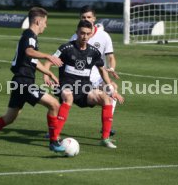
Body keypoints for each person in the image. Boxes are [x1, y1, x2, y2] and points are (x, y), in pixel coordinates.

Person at [0, 7, 65, 155]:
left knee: (9, 118)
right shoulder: (29, 35)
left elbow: (32, 60)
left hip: (18, 82)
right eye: (45, 22)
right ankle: (53, 142)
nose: (46, 25)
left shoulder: (30, 37)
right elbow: (29, 52)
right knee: (54, 104)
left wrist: (49, 73)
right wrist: (48, 56)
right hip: (24, 83)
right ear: (38, 21)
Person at [44, 20, 124, 149]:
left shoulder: (94, 52)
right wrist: (46, 74)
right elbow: (49, 62)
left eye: (88, 34)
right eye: (82, 33)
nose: (85, 36)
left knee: (106, 98)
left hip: (84, 89)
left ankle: (105, 138)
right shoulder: (66, 48)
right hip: (66, 87)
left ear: (91, 34)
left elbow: (102, 70)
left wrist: (111, 89)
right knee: (68, 96)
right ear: (77, 33)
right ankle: (55, 137)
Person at [70, 5, 120, 136]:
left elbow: (111, 57)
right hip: (81, 77)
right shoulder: (75, 36)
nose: (86, 19)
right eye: (83, 17)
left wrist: (111, 67)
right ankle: (53, 128)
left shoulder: (104, 36)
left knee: (113, 88)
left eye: (89, 17)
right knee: (65, 98)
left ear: (94, 18)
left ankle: (106, 128)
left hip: (98, 76)